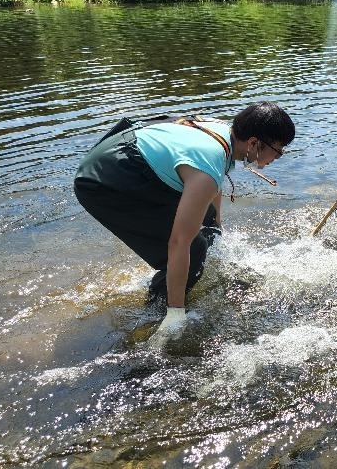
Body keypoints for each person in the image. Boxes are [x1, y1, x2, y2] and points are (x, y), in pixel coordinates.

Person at [73, 102, 295, 335]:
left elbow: (213, 181)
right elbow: (179, 241)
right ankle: (157, 313)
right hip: (103, 180)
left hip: (123, 153)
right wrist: (176, 312)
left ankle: (176, 283)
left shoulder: (223, 133)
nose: (277, 157)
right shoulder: (208, 164)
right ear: (253, 143)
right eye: (278, 150)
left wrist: (215, 223)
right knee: (194, 247)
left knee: (205, 222)